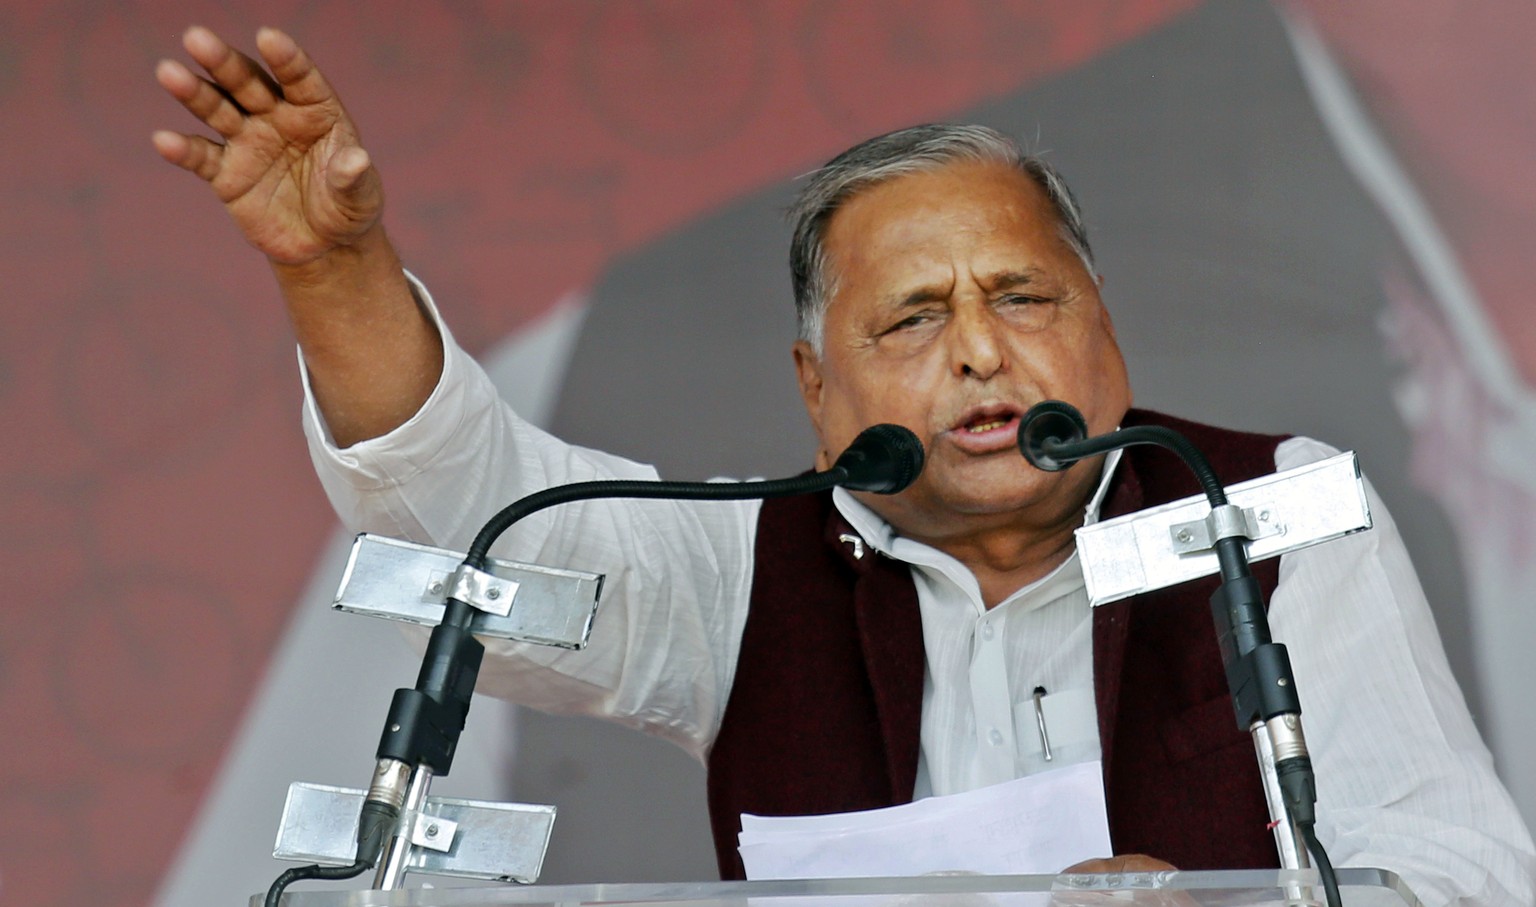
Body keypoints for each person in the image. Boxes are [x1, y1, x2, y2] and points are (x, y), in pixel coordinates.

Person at [154, 25, 1534, 905]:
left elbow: (1468, 875)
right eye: (915, 321)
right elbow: (483, 534)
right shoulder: (746, 569)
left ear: (1104, 324)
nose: (983, 353)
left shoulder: (1269, 511)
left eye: (1025, 298)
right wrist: (336, 273)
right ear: (819, 394)